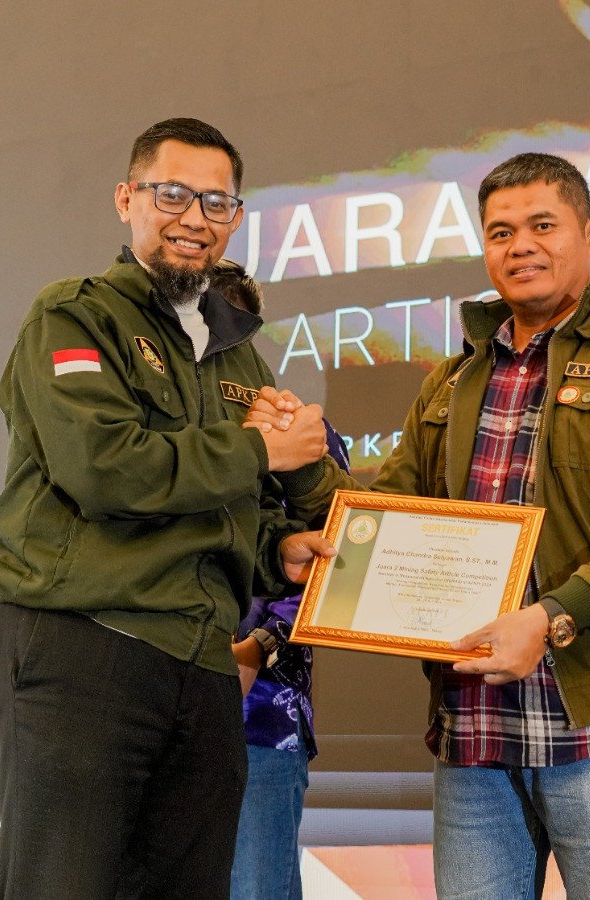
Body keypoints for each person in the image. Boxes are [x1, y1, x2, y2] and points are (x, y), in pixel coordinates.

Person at [257, 152, 590, 899]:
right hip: (471, 729)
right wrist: (303, 461)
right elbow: (384, 521)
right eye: (501, 232)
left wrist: (551, 617)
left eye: (543, 225)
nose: (520, 246)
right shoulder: (452, 379)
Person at [0, 117, 334, 900]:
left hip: (205, 667)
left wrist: (275, 548)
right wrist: (258, 450)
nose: (195, 218)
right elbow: (103, 469)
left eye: (217, 203)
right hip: (86, 646)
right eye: (172, 194)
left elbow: (225, 505)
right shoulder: (75, 316)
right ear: (126, 199)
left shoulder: (240, 354)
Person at [212, 260, 353, 900]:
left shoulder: (305, 437)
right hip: (149, 708)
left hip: (260, 716)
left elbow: (336, 559)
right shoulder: (154, 436)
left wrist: (257, 647)